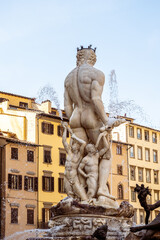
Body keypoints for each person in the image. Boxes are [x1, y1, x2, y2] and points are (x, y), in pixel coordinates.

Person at [64, 46, 125, 199]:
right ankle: (102, 190)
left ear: (78, 58)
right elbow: (95, 99)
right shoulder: (96, 74)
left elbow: (67, 106)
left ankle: (76, 196)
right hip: (90, 115)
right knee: (105, 153)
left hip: (75, 118)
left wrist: (73, 124)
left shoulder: (68, 78)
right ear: (93, 58)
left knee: (77, 156)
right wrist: (106, 121)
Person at [78, 131, 109, 200]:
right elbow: (79, 169)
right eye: (93, 147)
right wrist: (85, 175)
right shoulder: (85, 159)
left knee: (100, 192)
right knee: (92, 192)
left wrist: (103, 137)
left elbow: (106, 147)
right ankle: (88, 203)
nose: (95, 148)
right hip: (91, 177)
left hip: (98, 177)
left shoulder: (96, 156)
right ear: (89, 149)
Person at [62, 122, 87, 201]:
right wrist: (65, 129)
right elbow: (64, 142)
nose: (73, 145)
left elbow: (84, 143)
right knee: (70, 197)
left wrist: (75, 138)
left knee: (83, 198)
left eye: (75, 144)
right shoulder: (69, 152)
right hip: (66, 177)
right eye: (73, 144)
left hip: (74, 177)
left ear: (78, 147)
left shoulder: (79, 155)